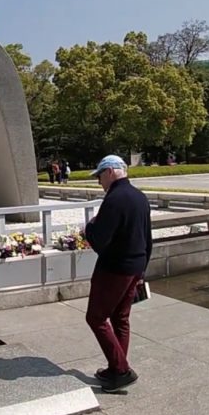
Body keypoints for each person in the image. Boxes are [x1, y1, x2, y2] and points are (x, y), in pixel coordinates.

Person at [84, 155, 152, 393]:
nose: (99, 182)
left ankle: (121, 369)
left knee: (96, 317)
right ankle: (115, 367)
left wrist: (89, 227)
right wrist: (142, 270)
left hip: (114, 268)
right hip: (135, 266)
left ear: (111, 172)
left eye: (100, 176)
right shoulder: (139, 197)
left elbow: (100, 239)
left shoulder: (114, 199)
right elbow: (148, 237)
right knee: (120, 318)